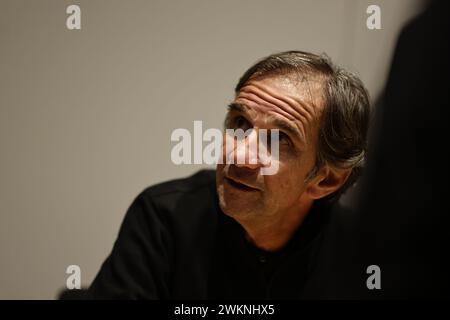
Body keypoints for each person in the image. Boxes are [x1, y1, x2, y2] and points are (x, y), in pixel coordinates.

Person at [88, 51, 371, 299]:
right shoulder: (164, 216)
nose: (238, 156)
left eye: (281, 139)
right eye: (240, 123)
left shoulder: (363, 252)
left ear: (325, 180)